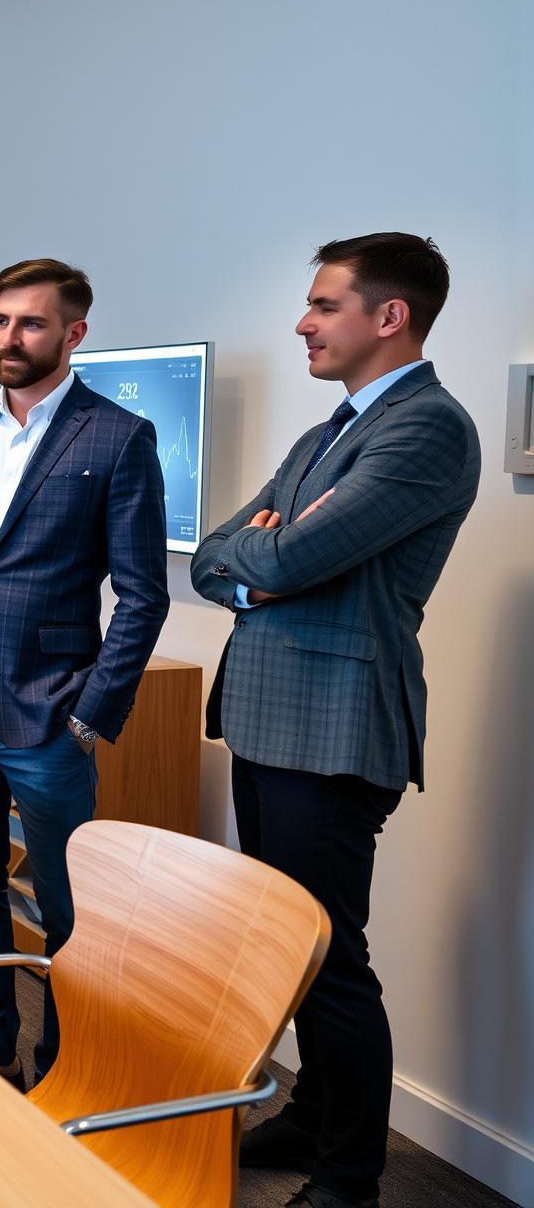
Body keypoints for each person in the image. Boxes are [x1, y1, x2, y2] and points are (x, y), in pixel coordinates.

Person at [193, 234, 479, 1208]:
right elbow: (214, 556)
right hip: (269, 719)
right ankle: (314, 1117)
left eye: (322, 305)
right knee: (284, 942)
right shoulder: (324, 436)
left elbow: (277, 562)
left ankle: (348, 1176)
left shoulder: (426, 428)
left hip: (333, 727)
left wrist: (263, 557)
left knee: (327, 956)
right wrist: (256, 557)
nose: (301, 323)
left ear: (386, 316)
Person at [0, 258, 167, 1089]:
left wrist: (91, 715)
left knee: (66, 909)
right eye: (2, 320)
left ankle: (64, 1072)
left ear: (74, 333)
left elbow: (143, 596)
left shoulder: (118, 437)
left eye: (33, 323)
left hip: (49, 717)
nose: (11, 338)